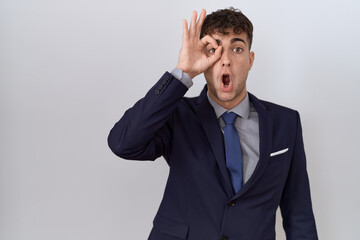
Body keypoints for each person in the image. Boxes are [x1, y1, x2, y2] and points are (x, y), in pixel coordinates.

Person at [108, 7, 318, 240]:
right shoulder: (177, 115)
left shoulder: (286, 122)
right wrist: (183, 72)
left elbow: (298, 215)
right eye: (213, 50)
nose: (225, 60)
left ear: (250, 60)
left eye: (237, 49)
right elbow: (122, 143)